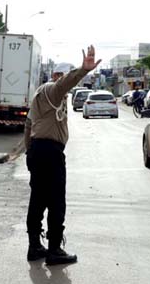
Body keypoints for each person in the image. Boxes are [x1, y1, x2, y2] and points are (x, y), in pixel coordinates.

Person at [24, 45, 101, 265]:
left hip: (38, 150)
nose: (67, 82)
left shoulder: (41, 94)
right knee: (56, 201)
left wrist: (29, 151)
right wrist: (83, 70)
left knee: (37, 200)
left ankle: (35, 246)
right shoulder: (53, 89)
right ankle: (54, 249)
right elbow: (66, 82)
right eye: (64, 75)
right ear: (58, 75)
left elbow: (28, 125)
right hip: (50, 152)